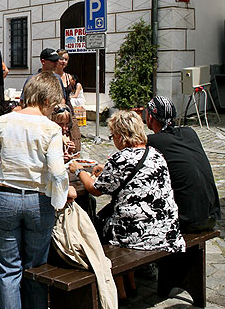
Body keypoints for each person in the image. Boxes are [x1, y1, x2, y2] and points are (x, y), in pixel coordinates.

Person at [0, 72, 76, 309]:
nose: (53, 109)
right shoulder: (50, 128)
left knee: (7, 270)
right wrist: (61, 195)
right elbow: (56, 170)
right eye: (53, 105)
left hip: (5, 196)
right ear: (46, 100)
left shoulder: (3, 121)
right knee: (36, 267)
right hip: (37, 199)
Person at [71, 109, 185, 300]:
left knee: (96, 228)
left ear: (120, 135)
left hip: (139, 234)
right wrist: (104, 170)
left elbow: (95, 189)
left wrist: (78, 170)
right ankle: (129, 285)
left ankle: (119, 293)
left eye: (112, 135)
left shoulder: (121, 158)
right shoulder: (155, 154)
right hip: (166, 229)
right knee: (120, 219)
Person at [145, 96, 220, 233]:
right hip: (211, 215)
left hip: (187, 220)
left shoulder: (153, 142)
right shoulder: (190, 133)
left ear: (150, 117)